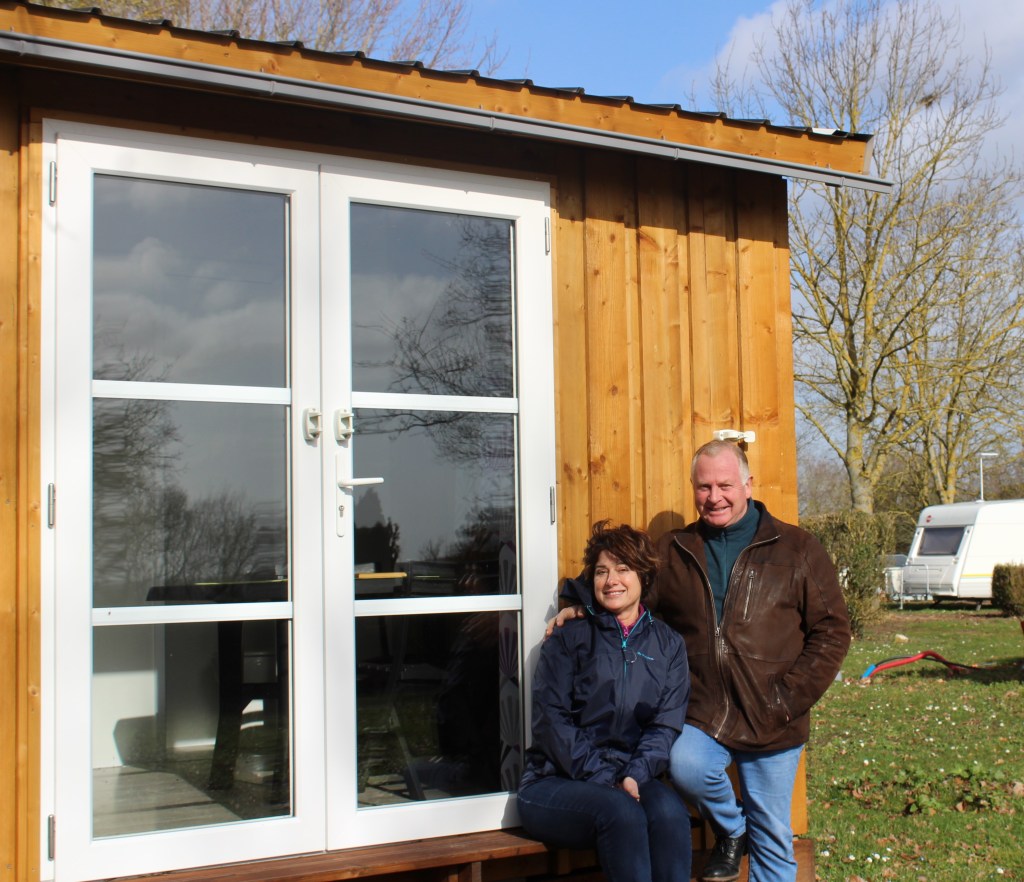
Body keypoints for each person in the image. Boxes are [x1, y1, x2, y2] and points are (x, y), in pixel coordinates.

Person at [550, 441, 851, 882]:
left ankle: (751, 838)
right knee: (687, 767)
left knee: (773, 834)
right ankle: (732, 829)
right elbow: (627, 587)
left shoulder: (798, 548)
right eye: (704, 486)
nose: (715, 496)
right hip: (704, 710)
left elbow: (833, 631)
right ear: (693, 489)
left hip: (776, 714)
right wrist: (577, 603)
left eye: (725, 485)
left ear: (748, 484)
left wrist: (789, 698)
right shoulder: (675, 549)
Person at [518, 521, 693, 882]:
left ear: (643, 576)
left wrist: (634, 774)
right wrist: (604, 778)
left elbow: (665, 725)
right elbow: (552, 722)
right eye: (601, 571)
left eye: (623, 569)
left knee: (672, 813)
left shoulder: (668, 644)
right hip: (555, 781)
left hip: (631, 776)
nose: (611, 580)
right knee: (622, 813)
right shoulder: (569, 638)